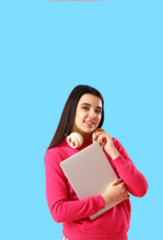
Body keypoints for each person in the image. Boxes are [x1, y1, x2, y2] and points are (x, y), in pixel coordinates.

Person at [45, 85, 149, 240]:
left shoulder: (111, 145)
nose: (92, 115)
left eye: (98, 111)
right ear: (72, 110)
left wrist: (112, 152)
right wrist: (106, 199)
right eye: (85, 108)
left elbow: (140, 189)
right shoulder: (56, 155)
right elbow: (58, 211)